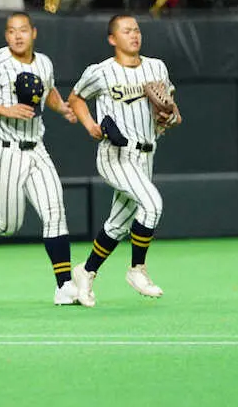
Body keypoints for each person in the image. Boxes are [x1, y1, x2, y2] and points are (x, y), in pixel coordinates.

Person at [0, 12, 80, 305]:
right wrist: (5, 110)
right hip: (3, 149)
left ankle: (64, 286)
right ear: (6, 36)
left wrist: (61, 108)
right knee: (6, 226)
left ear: (34, 32)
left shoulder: (44, 62)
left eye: (23, 30)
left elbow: (47, 90)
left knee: (54, 212)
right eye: (12, 31)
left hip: (37, 148)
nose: (18, 36)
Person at [67, 15, 181, 307]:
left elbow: (168, 103)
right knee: (152, 204)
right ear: (112, 39)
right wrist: (90, 125)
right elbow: (76, 98)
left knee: (118, 224)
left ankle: (86, 271)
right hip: (115, 154)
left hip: (146, 153)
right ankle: (137, 269)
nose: (134, 35)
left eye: (137, 30)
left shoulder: (157, 67)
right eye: (126, 31)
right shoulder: (101, 72)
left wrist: (170, 114)